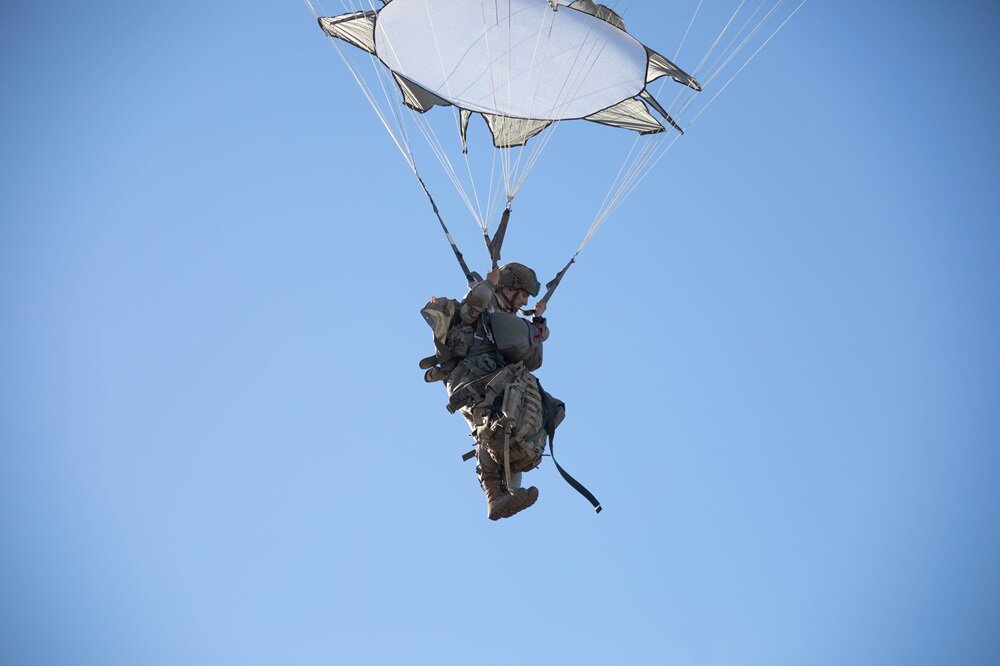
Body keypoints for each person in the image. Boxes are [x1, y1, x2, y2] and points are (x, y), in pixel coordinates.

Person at [444, 262, 565, 520]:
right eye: (522, 295)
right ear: (510, 288)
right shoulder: (484, 300)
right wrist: (488, 283)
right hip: (469, 381)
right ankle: (493, 497)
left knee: (515, 419)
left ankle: (510, 494)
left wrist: (538, 320)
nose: (524, 302)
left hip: (493, 379)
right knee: (487, 429)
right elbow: (469, 311)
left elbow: (538, 338)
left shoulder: (506, 315)